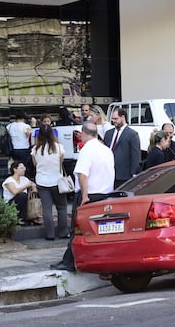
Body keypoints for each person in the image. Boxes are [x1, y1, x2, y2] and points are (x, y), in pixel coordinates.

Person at [51, 122, 114, 272]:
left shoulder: (87, 150)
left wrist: (84, 195)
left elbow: (82, 174)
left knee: (77, 229)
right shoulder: (106, 150)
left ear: (84, 134)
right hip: (105, 194)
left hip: (89, 195)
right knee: (99, 230)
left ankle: (69, 261)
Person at [31, 124, 69, 240]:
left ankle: (50, 234)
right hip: (57, 181)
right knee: (62, 207)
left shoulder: (35, 149)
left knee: (47, 209)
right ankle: (63, 232)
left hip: (42, 182)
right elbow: (61, 161)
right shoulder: (58, 147)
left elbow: (35, 164)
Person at [104, 107, 141, 188]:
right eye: (112, 119)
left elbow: (135, 156)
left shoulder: (132, 134)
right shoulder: (108, 133)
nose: (113, 121)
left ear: (123, 117)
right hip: (108, 174)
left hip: (124, 175)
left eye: (116, 118)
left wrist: (134, 174)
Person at [7, 112, 33, 177]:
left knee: (16, 166)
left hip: (14, 149)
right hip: (24, 149)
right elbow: (29, 134)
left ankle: (15, 179)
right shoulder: (26, 126)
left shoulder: (10, 126)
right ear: (24, 118)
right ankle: (24, 180)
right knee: (24, 167)